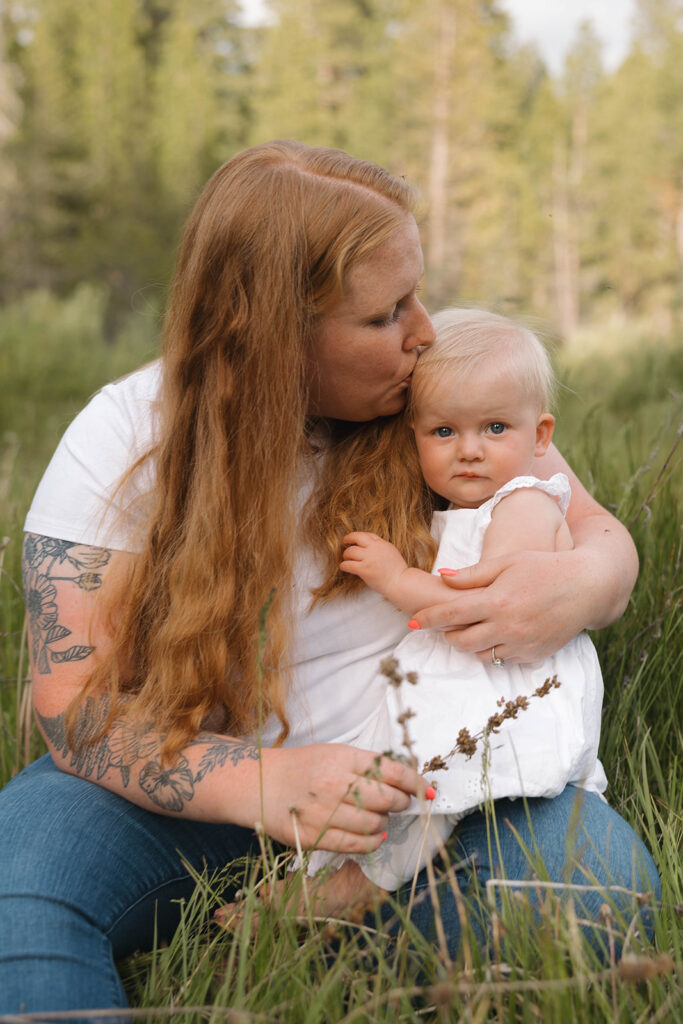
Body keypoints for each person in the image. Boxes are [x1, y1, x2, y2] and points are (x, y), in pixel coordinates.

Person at [0, 141, 658, 1015]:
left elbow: (592, 529)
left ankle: (307, 952)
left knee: (594, 888)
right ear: (274, 332)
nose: (422, 330)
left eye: (417, 293)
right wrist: (260, 784)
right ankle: (307, 939)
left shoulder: (434, 399)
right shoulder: (124, 440)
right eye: (387, 314)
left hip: (425, 799)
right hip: (186, 789)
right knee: (19, 889)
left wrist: (583, 585)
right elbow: (72, 706)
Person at [293, 308, 608, 908]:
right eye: (444, 433)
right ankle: (337, 879)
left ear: (541, 437)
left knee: (438, 796)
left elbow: (480, 605)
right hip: (470, 680)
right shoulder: (476, 506)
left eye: (495, 429)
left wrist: (396, 576)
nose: (469, 451)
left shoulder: (526, 504)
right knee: (416, 787)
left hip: (503, 686)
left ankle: (357, 890)